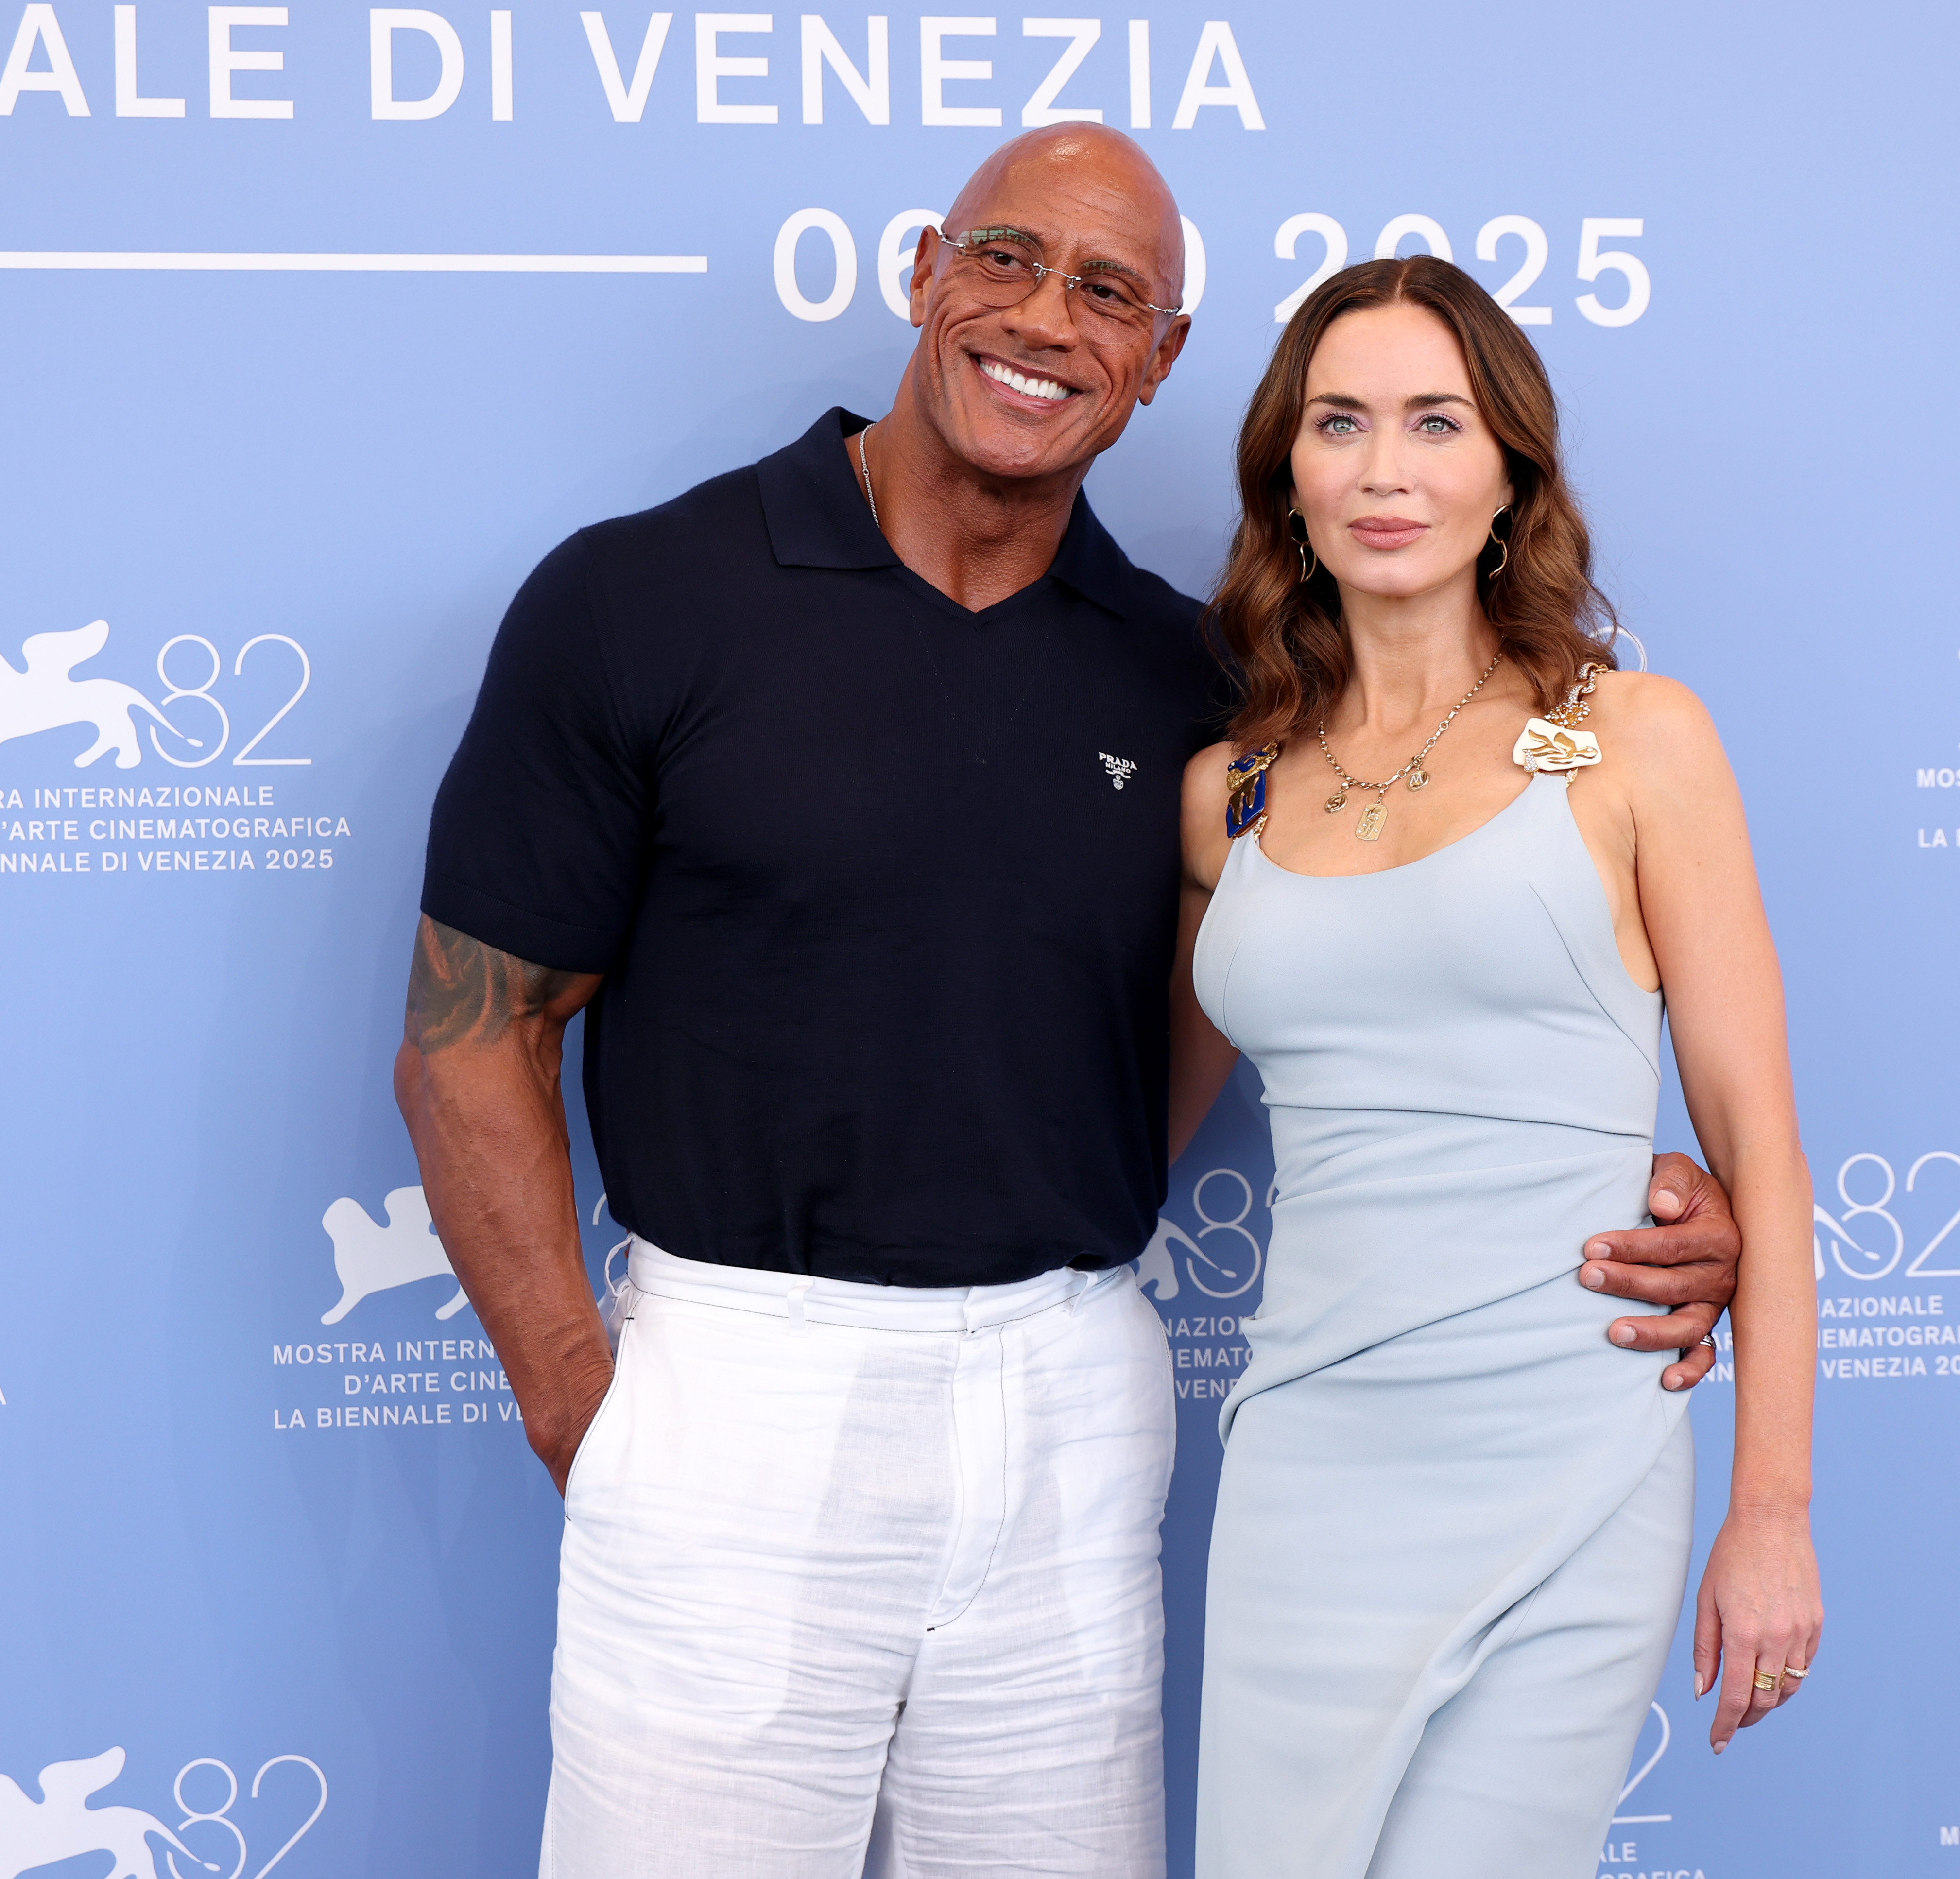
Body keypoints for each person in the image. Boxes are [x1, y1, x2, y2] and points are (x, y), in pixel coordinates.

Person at [397, 127, 1744, 1879]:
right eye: (1005, 257)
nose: (1045, 318)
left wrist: (1642, 1189)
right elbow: (472, 1031)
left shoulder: (1200, 688)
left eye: (1109, 292)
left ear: (1161, 360)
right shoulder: (638, 597)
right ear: (924, 273)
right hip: (734, 1392)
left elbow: (1372, 972)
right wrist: (589, 1405)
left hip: (1075, 1403)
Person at [1175, 255, 1822, 1878]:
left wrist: (1772, 1514)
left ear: (1511, 477)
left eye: (1435, 422)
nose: (1383, 470)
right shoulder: (1226, 792)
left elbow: (1759, 1146)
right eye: (1339, 423)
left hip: (1566, 1453)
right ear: (1288, 476)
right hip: (1308, 1465)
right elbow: (1129, 1113)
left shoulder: (1637, 737)